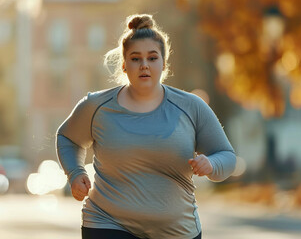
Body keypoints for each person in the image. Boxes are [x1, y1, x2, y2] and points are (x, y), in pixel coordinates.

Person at [56, 14, 236, 239]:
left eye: (152, 58)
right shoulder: (96, 106)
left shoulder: (190, 107)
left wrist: (211, 164)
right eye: (135, 58)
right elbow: (67, 138)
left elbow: (227, 157)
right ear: (123, 65)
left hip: (176, 230)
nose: (144, 65)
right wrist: (75, 172)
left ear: (164, 63)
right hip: (107, 222)